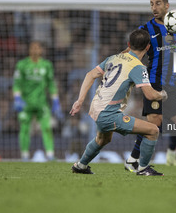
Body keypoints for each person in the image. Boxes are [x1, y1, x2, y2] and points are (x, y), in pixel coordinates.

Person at [70, 29, 167, 176]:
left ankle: (80, 166)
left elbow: (90, 75)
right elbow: (150, 94)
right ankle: (143, 168)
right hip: (108, 113)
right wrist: (162, 94)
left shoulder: (114, 58)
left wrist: (80, 100)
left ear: (129, 44)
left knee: (103, 138)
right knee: (153, 130)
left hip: (97, 107)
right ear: (148, 48)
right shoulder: (138, 67)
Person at [124, 0, 176, 169]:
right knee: (155, 122)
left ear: (167, 6)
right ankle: (135, 160)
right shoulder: (146, 29)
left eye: (157, 3)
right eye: (151, 4)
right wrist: (119, 65)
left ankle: (135, 156)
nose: (154, 7)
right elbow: (133, 52)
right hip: (154, 83)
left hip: (175, 84)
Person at [13, 41, 63, 161]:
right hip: (26, 103)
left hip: (41, 103)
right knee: (25, 128)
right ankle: (24, 155)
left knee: (47, 128)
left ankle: (50, 155)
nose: (35, 50)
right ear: (29, 50)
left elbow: (51, 84)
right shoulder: (22, 64)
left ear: (41, 50)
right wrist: (17, 98)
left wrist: (55, 100)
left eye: (37, 48)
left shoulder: (46, 65)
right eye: (32, 48)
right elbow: (17, 84)